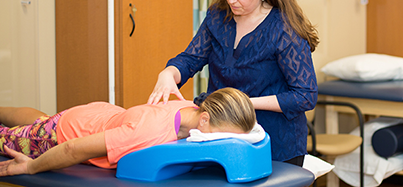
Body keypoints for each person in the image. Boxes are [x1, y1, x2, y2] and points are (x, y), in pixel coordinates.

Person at [147, 0, 319, 167]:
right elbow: (191, 59)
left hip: (275, 145)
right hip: (219, 139)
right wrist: (169, 73)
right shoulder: (218, 17)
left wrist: (242, 103)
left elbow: (305, 95)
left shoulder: (283, 29)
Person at [0, 87, 256, 176]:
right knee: (17, 136)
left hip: (94, 115)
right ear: (205, 120)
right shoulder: (148, 133)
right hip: (65, 135)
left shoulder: (192, 107)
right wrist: (30, 167)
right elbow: (72, 149)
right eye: (224, 135)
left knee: (41, 121)